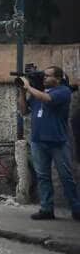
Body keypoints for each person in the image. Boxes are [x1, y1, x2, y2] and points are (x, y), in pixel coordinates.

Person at [18, 66, 80, 220]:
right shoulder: (37, 93)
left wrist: (29, 87)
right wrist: (22, 92)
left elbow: (48, 100)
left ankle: (76, 208)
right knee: (43, 176)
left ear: (58, 79)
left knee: (66, 177)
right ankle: (47, 209)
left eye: (48, 76)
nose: (44, 78)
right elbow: (24, 111)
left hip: (58, 141)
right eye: (43, 76)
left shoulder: (63, 92)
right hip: (38, 141)